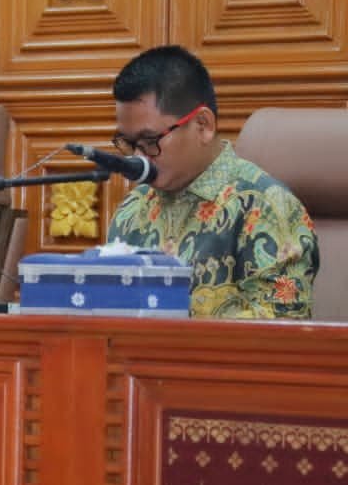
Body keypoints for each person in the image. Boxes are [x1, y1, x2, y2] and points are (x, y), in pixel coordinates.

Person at [106, 45, 318, 318]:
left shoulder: (265, 207)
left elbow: (281, 327)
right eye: (128, 142)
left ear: (203, 125)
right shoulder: (133, 209)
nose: (138, 157)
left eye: (149, 141)